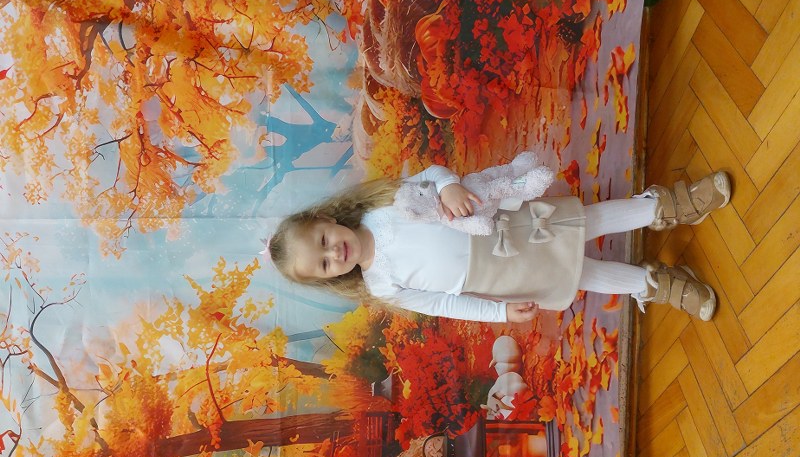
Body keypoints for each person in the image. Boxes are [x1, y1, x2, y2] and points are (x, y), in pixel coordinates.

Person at [266, 162, 730, 323]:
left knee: (583, 223)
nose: (334, 252)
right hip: (501, 274)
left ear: (327, 219)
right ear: (330, 278)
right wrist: (499, 313)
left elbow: (432, 175)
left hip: (507, 226)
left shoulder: (383, 205)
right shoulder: (383, 285)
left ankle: (666, 206)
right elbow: (445, 305)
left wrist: (448, 186)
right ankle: (654, 285)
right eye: (324, 263)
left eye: (323, 240)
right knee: (578, 273)